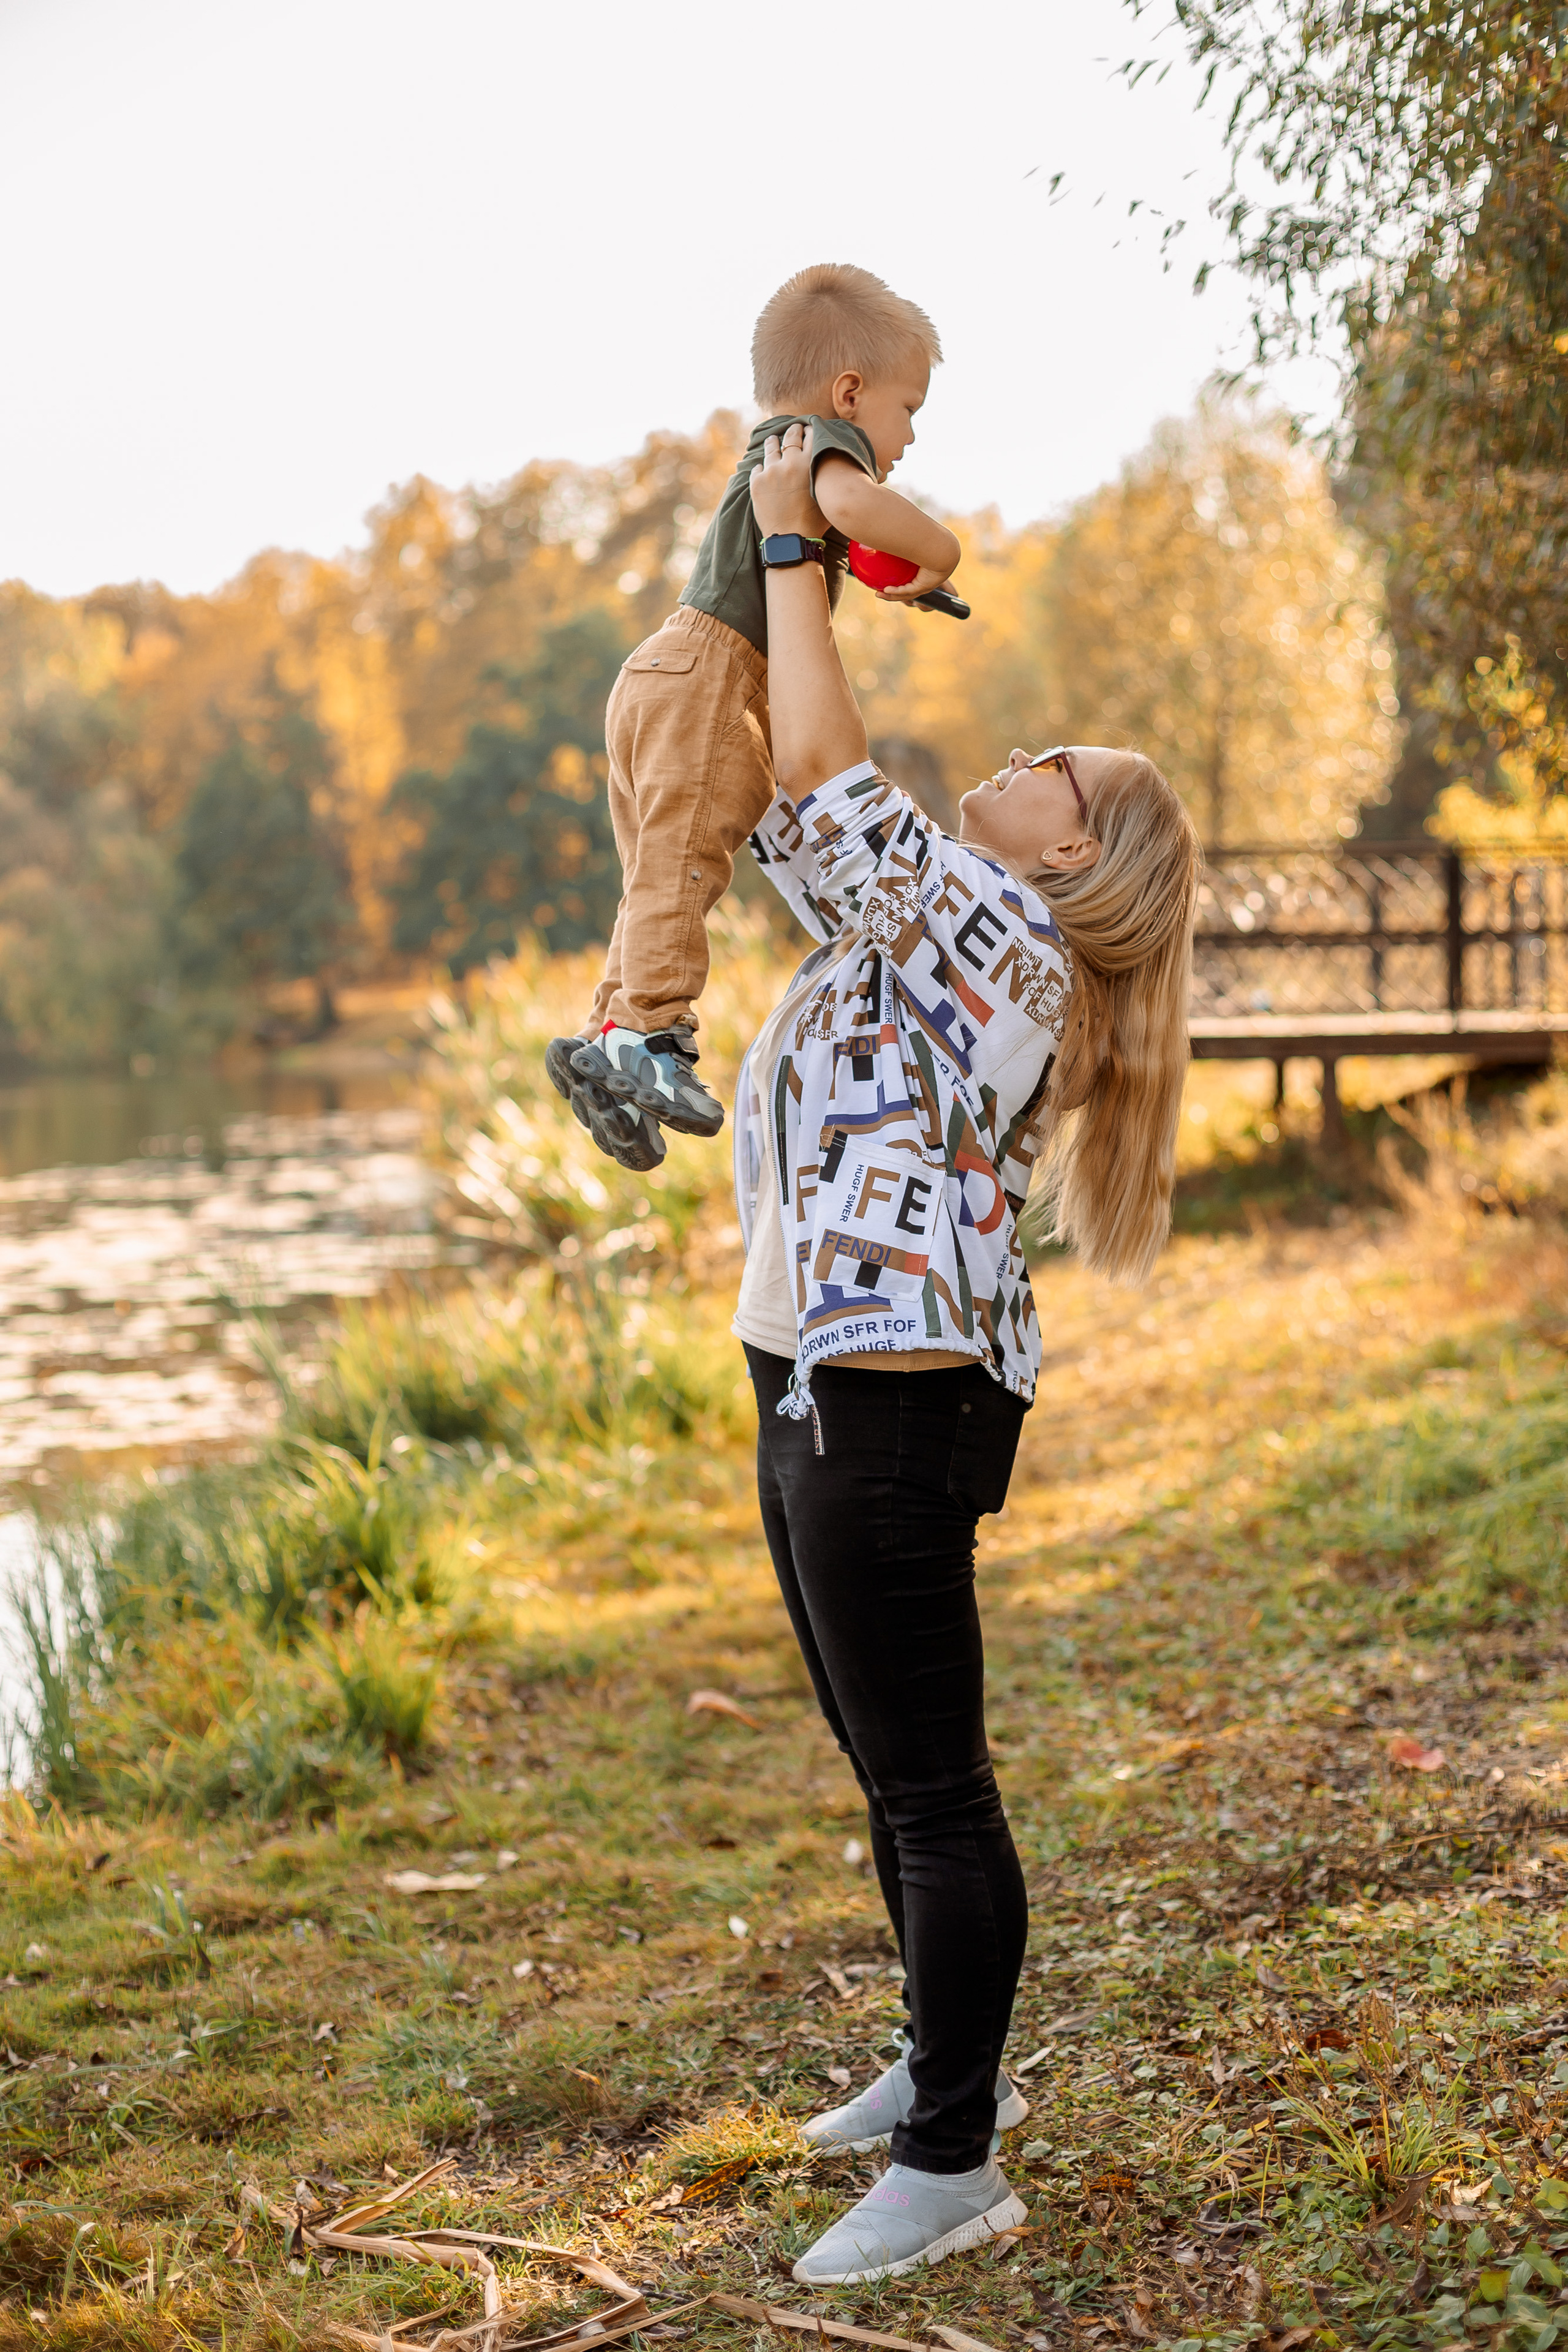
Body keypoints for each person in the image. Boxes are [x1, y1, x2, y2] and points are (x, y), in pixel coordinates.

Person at [735, 423, 1202, 2286]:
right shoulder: (966, 916)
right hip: (824, 1365)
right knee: (883, 1756)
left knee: (932, 1783)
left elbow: (829, 780)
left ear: (1070, 842)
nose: (1006, 768)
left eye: (1042, 770)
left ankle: (954, 2156)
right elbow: (800, 814)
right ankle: (938, 2066)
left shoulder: (1002, 932)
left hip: (895, 1390)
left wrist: (795, 543)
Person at [546, 263, 961, 1173]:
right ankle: (647, 1036)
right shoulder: (818, 441)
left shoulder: (782, 455)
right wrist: (940, 548)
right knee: (690, 852)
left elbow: (839, 531)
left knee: (660, 874)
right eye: (909, 410)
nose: (911, 438)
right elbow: (855, 504)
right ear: (851, 392)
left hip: (668, 672)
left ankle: (607, 1033)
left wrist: (889, 576)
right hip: (708, 675)